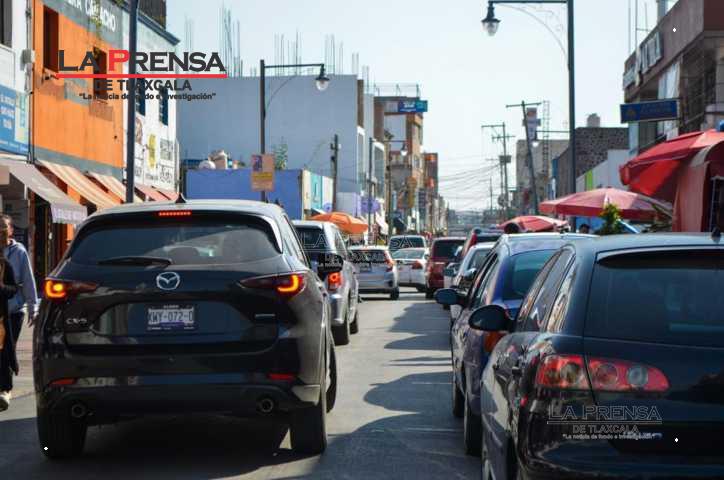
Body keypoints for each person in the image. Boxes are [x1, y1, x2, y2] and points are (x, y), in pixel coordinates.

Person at [0, 214, 39, 411]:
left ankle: (5, 390)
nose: (1, 230)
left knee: (8, 348)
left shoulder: (19, 251)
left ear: (11, 230)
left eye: (3, 227)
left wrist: (33, 307)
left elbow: (28, 279)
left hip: (14, 310)